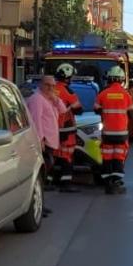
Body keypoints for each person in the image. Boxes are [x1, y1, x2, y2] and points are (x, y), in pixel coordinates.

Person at [95, 65, 133, 195]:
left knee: (107, 157)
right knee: (118, 157)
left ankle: (107, 183)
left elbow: (96, 109)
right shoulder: (126, 95)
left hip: (107, 133)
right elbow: (131, 115)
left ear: (109, 79)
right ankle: (117, 183)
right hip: (122, 133)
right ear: (122, 79)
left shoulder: (103, 94)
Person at [26, 76, 62, 203]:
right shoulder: (37, 100)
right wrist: (40, 139)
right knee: (40, 175)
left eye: (53, 85)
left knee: (45, 172)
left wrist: (55, 99)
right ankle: (37, 204)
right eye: (47, 85)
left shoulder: (48, 99)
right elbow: (36, 121)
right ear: (41, 84)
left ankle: (40, 204)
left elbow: (62, 110)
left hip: (50, 141)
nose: (50, 88)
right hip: (44, 141)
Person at [52, 63, 83, 192]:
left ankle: (50, 181)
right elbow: (78, 109)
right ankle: (66, 183)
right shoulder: (68, 91)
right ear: (68, 77)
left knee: (53, 155)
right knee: (67, 156)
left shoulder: (49, 89)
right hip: (66, 129)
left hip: (51, 129)